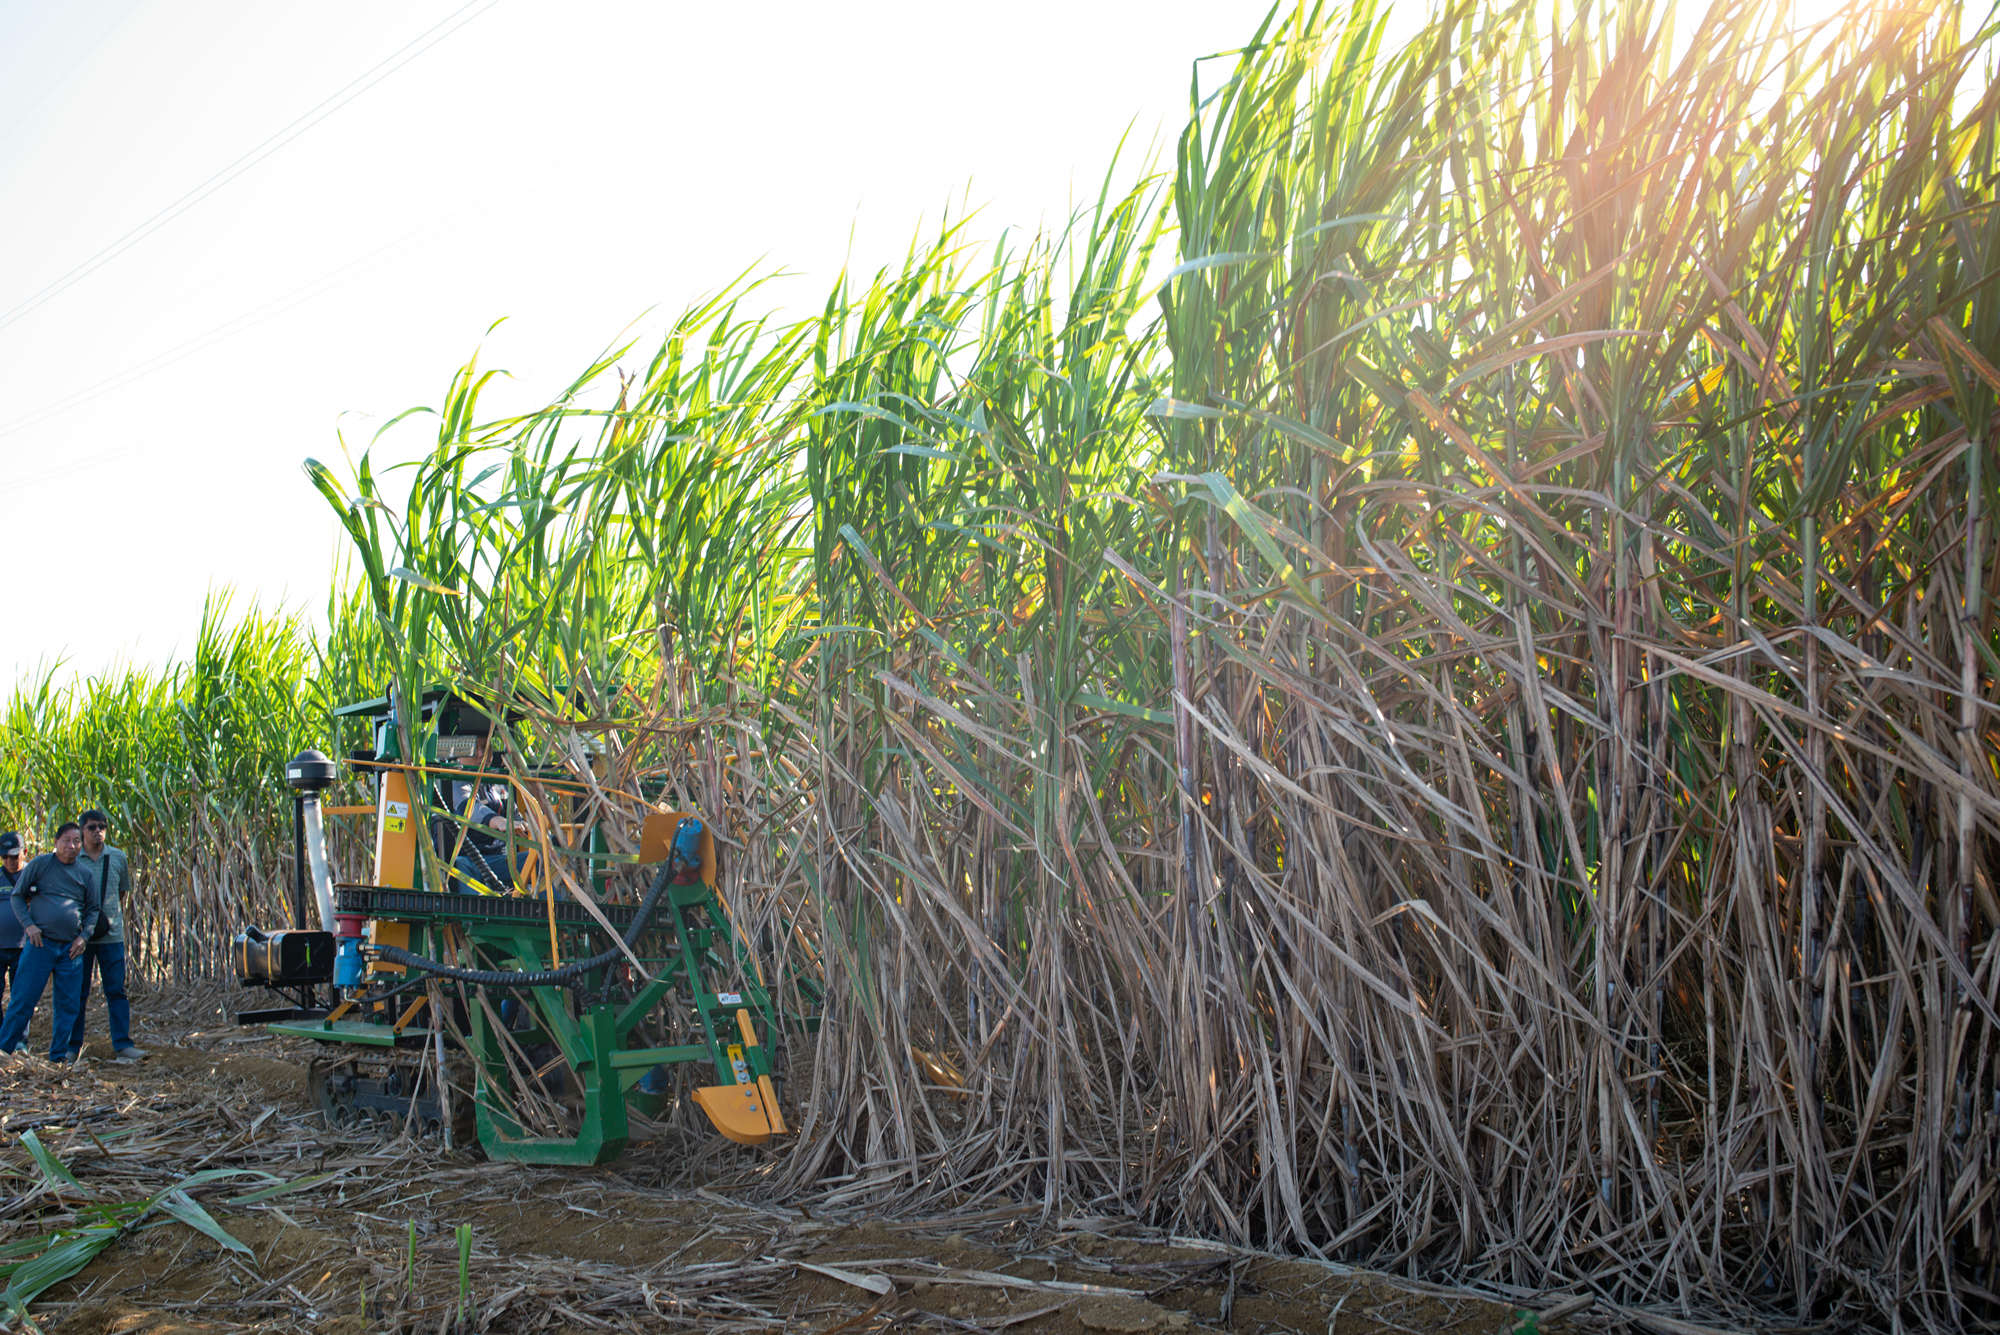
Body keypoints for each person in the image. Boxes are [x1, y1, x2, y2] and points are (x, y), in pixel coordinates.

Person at [0, 822, 100, 1062]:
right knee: (23, 999)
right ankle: (4, 1051)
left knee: (68, 1005)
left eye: (77, 841)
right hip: (40, 945)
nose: (72, 846)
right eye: (66, 840)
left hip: (71, 949)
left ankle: (58, 1058)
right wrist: (29, 925)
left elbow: (93, 909)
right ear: (56, 842)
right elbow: (17, 896)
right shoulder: (40, 865)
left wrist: (83, 937)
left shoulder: (84, 874)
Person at [67, 810, 146, 1062]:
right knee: (78, 992)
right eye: (91, 827)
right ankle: (72, 1046)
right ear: (82, 831)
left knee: (116, 990)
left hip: (111, 936)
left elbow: (121, 893)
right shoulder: (73, 860)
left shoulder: (117, 858)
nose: (97, 831)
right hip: (80, 938)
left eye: (102, 826)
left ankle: (122, 1044)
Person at [0, 832, 24, 1017]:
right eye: (4, 856)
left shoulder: (34, 875)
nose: (9, 861)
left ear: (24, 852)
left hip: (25, 946)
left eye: (14, 856)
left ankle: (18, 1040)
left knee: (21, 995)